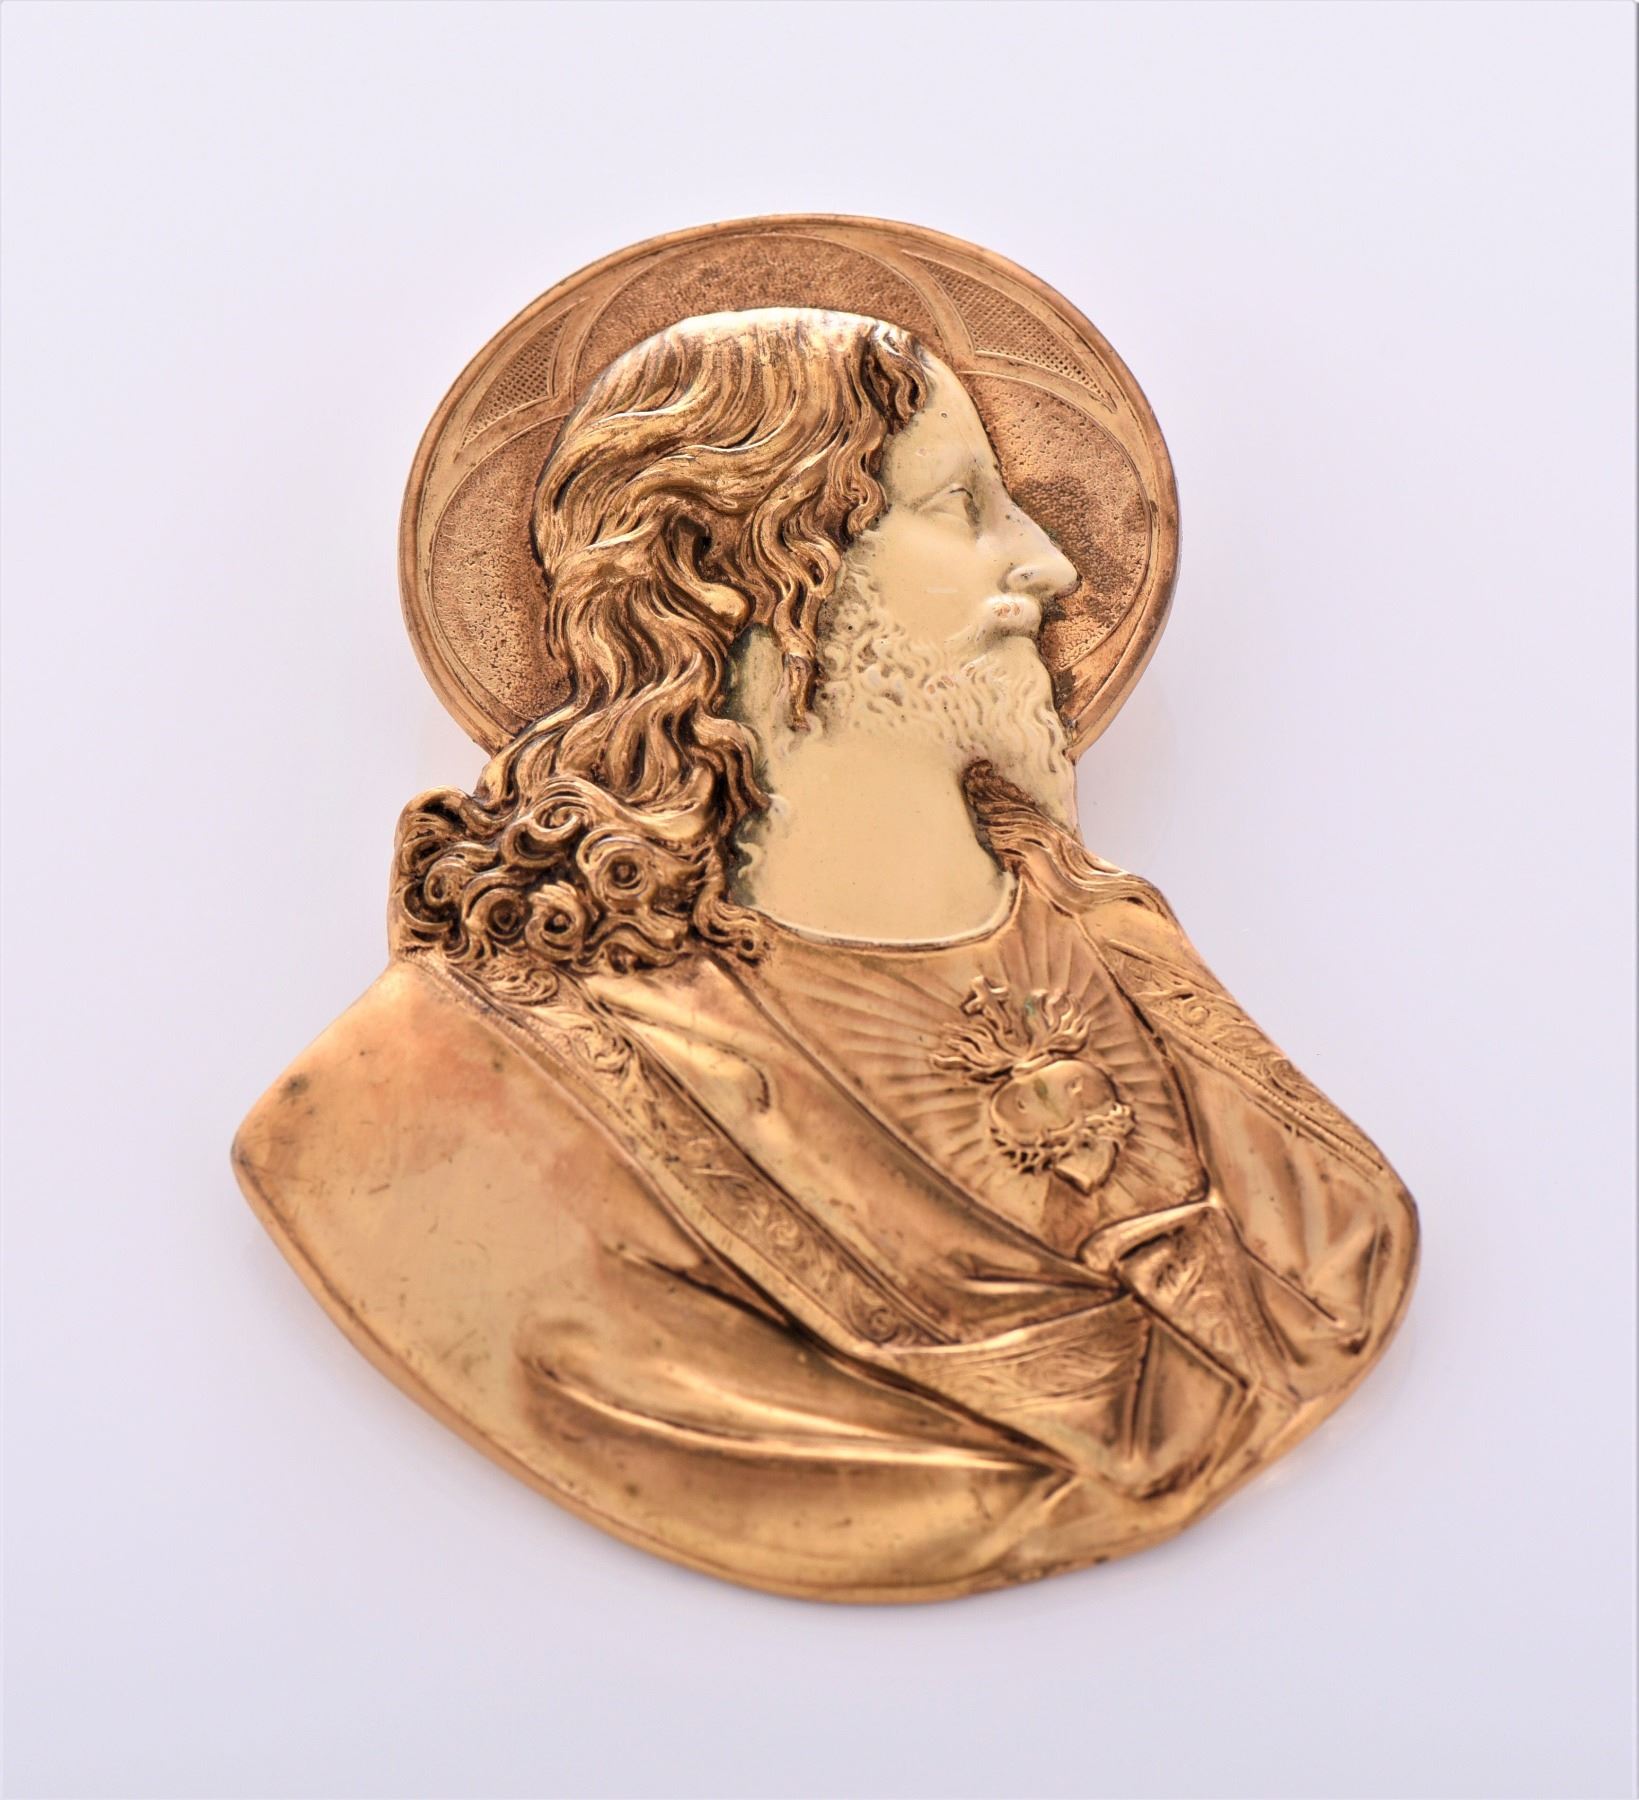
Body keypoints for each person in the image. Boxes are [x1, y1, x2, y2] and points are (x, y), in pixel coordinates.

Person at [236, 309, 1417, 1600]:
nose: (1051, 569)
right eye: (962, 507)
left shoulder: (1122, 942)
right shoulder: (449, 1093)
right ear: (746, 581)